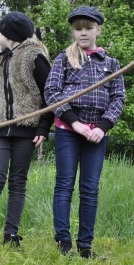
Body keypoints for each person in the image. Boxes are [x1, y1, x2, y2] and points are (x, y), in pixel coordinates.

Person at [44, 6, 125, 259]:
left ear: (98, 30)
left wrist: (102, 127)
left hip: (97, 135)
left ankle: (86, 246)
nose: (83, 33)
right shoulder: (63, 59)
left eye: (88, 28)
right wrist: (75, 123)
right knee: (65, 184)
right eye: (78, 29)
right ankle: (64, 243)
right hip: (68, 131)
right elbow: (52, 92)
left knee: (90, 189)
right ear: (73, 31)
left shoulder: (112, 63)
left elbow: (118, 98)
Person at [0, 11, 54, 246]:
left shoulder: (34, 57)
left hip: (26, 130)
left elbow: (49, 96)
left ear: (9, 35)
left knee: (18, 181)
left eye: (0, 31)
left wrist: (43, 128)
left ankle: (10, 234)